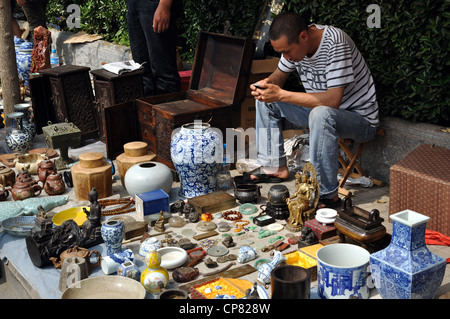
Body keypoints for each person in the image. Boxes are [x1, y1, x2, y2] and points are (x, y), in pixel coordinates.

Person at [250, 12, 379, 208]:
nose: (286, 57)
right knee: (266, 100)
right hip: (322, 114)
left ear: (303, 36)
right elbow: (278, 75)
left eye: (287, 51)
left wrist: (281, 94)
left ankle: (327, 195)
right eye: (281, 53)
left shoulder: (335, 43)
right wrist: (266, 86)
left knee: (321, 113)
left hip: (360, 120)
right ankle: (274, 166)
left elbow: (333, 101)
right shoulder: (295, 47)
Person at [126, 0, 182, 96]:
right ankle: (147, 110)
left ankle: (167, 109)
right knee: (141, 72)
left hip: (155, 4)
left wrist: (164, 5)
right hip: (134, 4)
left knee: (164, 73)